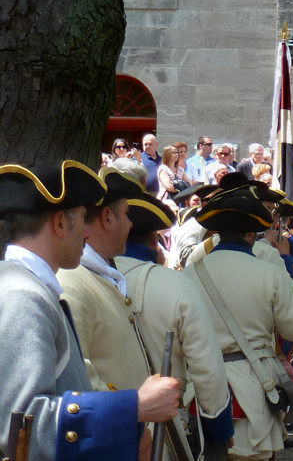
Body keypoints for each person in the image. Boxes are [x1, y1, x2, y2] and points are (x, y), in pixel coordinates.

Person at [0, 160, 182, 461]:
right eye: (84, 218)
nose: (88, 232)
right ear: (59, 223)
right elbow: (21, 426)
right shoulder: (24, 296)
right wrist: (134, 407)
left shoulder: (28, 287)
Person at [184, 185, 293, 460]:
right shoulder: (270, 273)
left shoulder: (189, 274)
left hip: (197, 387)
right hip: (254, 386)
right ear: (251, 233)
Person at [116, 193, 235, 458]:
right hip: (161, 431)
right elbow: (208, 369)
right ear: (153, 240)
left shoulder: (81, 279)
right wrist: (219, 429)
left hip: (98, 427)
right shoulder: (176, 285)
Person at [56, 168, 152, 395]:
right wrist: (132, 418)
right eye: (126, 214)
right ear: (108, 217)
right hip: (118, 427)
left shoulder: (100, 273)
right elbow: (81, 378)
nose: (130, 224)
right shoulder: (71, 283)